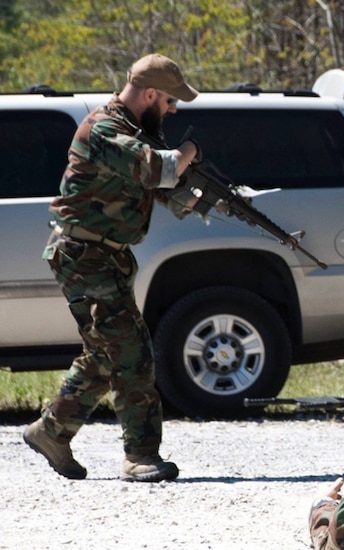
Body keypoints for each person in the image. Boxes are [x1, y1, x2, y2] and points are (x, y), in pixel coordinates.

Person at [23, 53, 202, 482]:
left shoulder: (134, 132)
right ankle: (140, 456)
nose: (174, 110)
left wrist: (208, 196)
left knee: (105, 353)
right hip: (84, 256)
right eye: (171, 102)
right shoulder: (106, 130)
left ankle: (51, 432)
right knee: (133, 353)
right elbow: (160, 167)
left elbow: (164, 190)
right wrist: (188, 153)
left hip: (107, 257)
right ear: (151, 94)